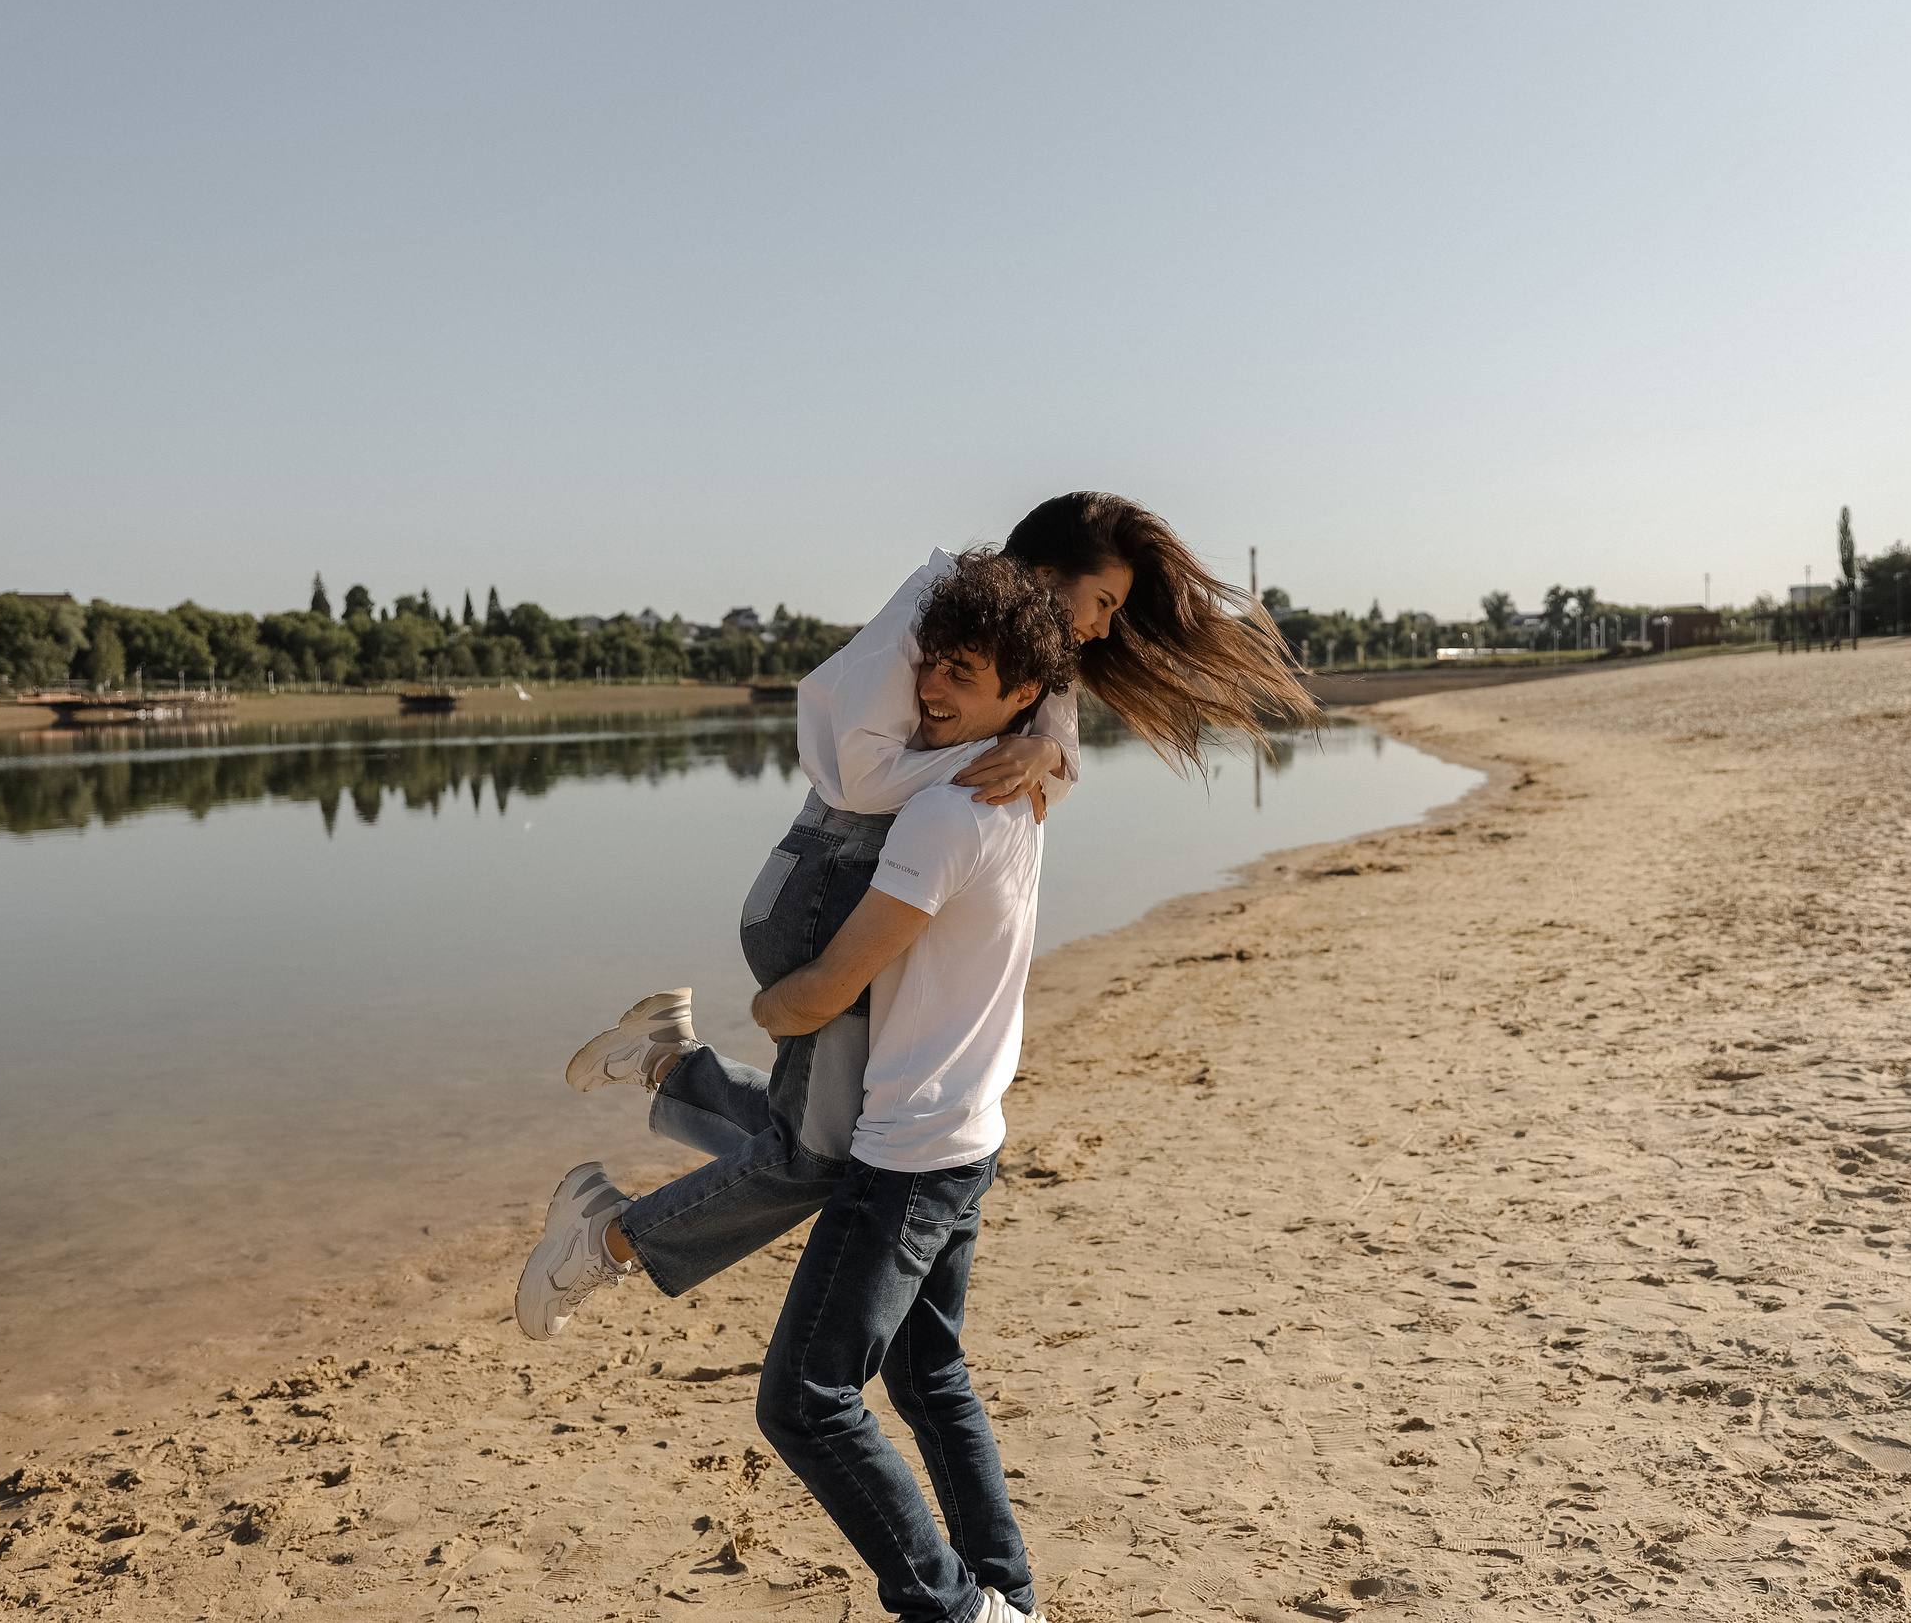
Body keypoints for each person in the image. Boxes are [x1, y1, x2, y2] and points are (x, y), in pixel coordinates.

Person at [519, 493, 1316, 1326]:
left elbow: (1055, 759)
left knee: (827, 1136)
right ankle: (606, 1237)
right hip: (820, 892)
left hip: (865, 888)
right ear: (1046, 576)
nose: (1106, 629)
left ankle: (666, 1065)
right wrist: (989, 755)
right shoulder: (929, 615)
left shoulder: (1026, 648)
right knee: (821, 1157)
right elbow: (863, 776)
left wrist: (1039, 744)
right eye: (1104, 603)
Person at [522, 553, 1074, 1623]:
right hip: (966, 1138)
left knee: (807, 1404)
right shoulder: (1021, 794)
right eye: (935, 666)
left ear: (1020, 698)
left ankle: (961, 1610)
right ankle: (1009, 1601)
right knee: (929, 1383)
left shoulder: (945, 813)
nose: (933, 690)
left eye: (965, 677)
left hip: (908, 1156)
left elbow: (827, 987)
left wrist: (773, 1009)